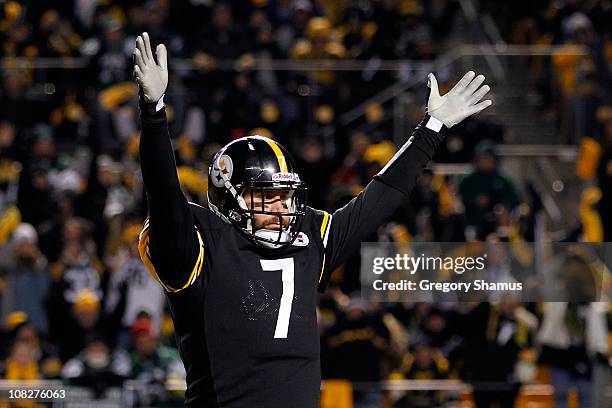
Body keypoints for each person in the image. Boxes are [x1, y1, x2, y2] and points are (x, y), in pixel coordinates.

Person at [133, 31, 492, 407]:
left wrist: (430, 132)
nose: (280, 207)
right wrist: (154, 113)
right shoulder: (201, 247)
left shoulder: (309, 238)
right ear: (229, 197)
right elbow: (163, 195)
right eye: (266, 196)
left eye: (284, 196)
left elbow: (378, 199)